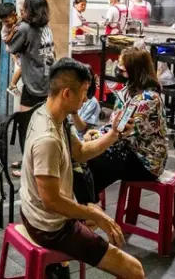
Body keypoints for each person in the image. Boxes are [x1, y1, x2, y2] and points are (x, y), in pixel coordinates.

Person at [20, 58, 144, 279]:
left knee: (94, 219)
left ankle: (58, 265)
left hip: (35, 212)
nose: (86, 98)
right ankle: (58, 261)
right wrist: (93, 213)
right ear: (67, 93)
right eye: (84, 92)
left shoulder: (49, 114)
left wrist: (114, 134)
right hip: (50, 228)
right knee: (135, 270)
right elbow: (52, 201)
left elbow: (81, 151)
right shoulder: (47, 139)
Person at [86, 47, 168, 198]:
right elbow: (114, 123)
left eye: (122, 65)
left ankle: (88, 205)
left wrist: (98, 136)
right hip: (129, 149)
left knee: (97, 162)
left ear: (133, 69)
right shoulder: (127, 91)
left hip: (147, 160)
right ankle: (87, 203)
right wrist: (98, 133)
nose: (118, 68)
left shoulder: (148, 99)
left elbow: (123, 131)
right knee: (91, 158)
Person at [6, 0, 55, 178]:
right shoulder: (45, 26)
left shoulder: (26, 28)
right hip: (48, 80)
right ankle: (34, 159)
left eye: (24, 6)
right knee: (42, 124)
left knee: (25, 124)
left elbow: (11, 47)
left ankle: (29, 164)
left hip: (33, 83)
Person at [0, 3, 23, 94]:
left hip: (18, 48)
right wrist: (11, 32)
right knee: (22, 66)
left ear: (14, 14)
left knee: (20, 65)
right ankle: (12, 84)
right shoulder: (5, 29)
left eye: (7, 21)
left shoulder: (20, 19)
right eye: (3, 22)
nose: (5, 24)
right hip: (12, 48)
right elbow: (6, 41)